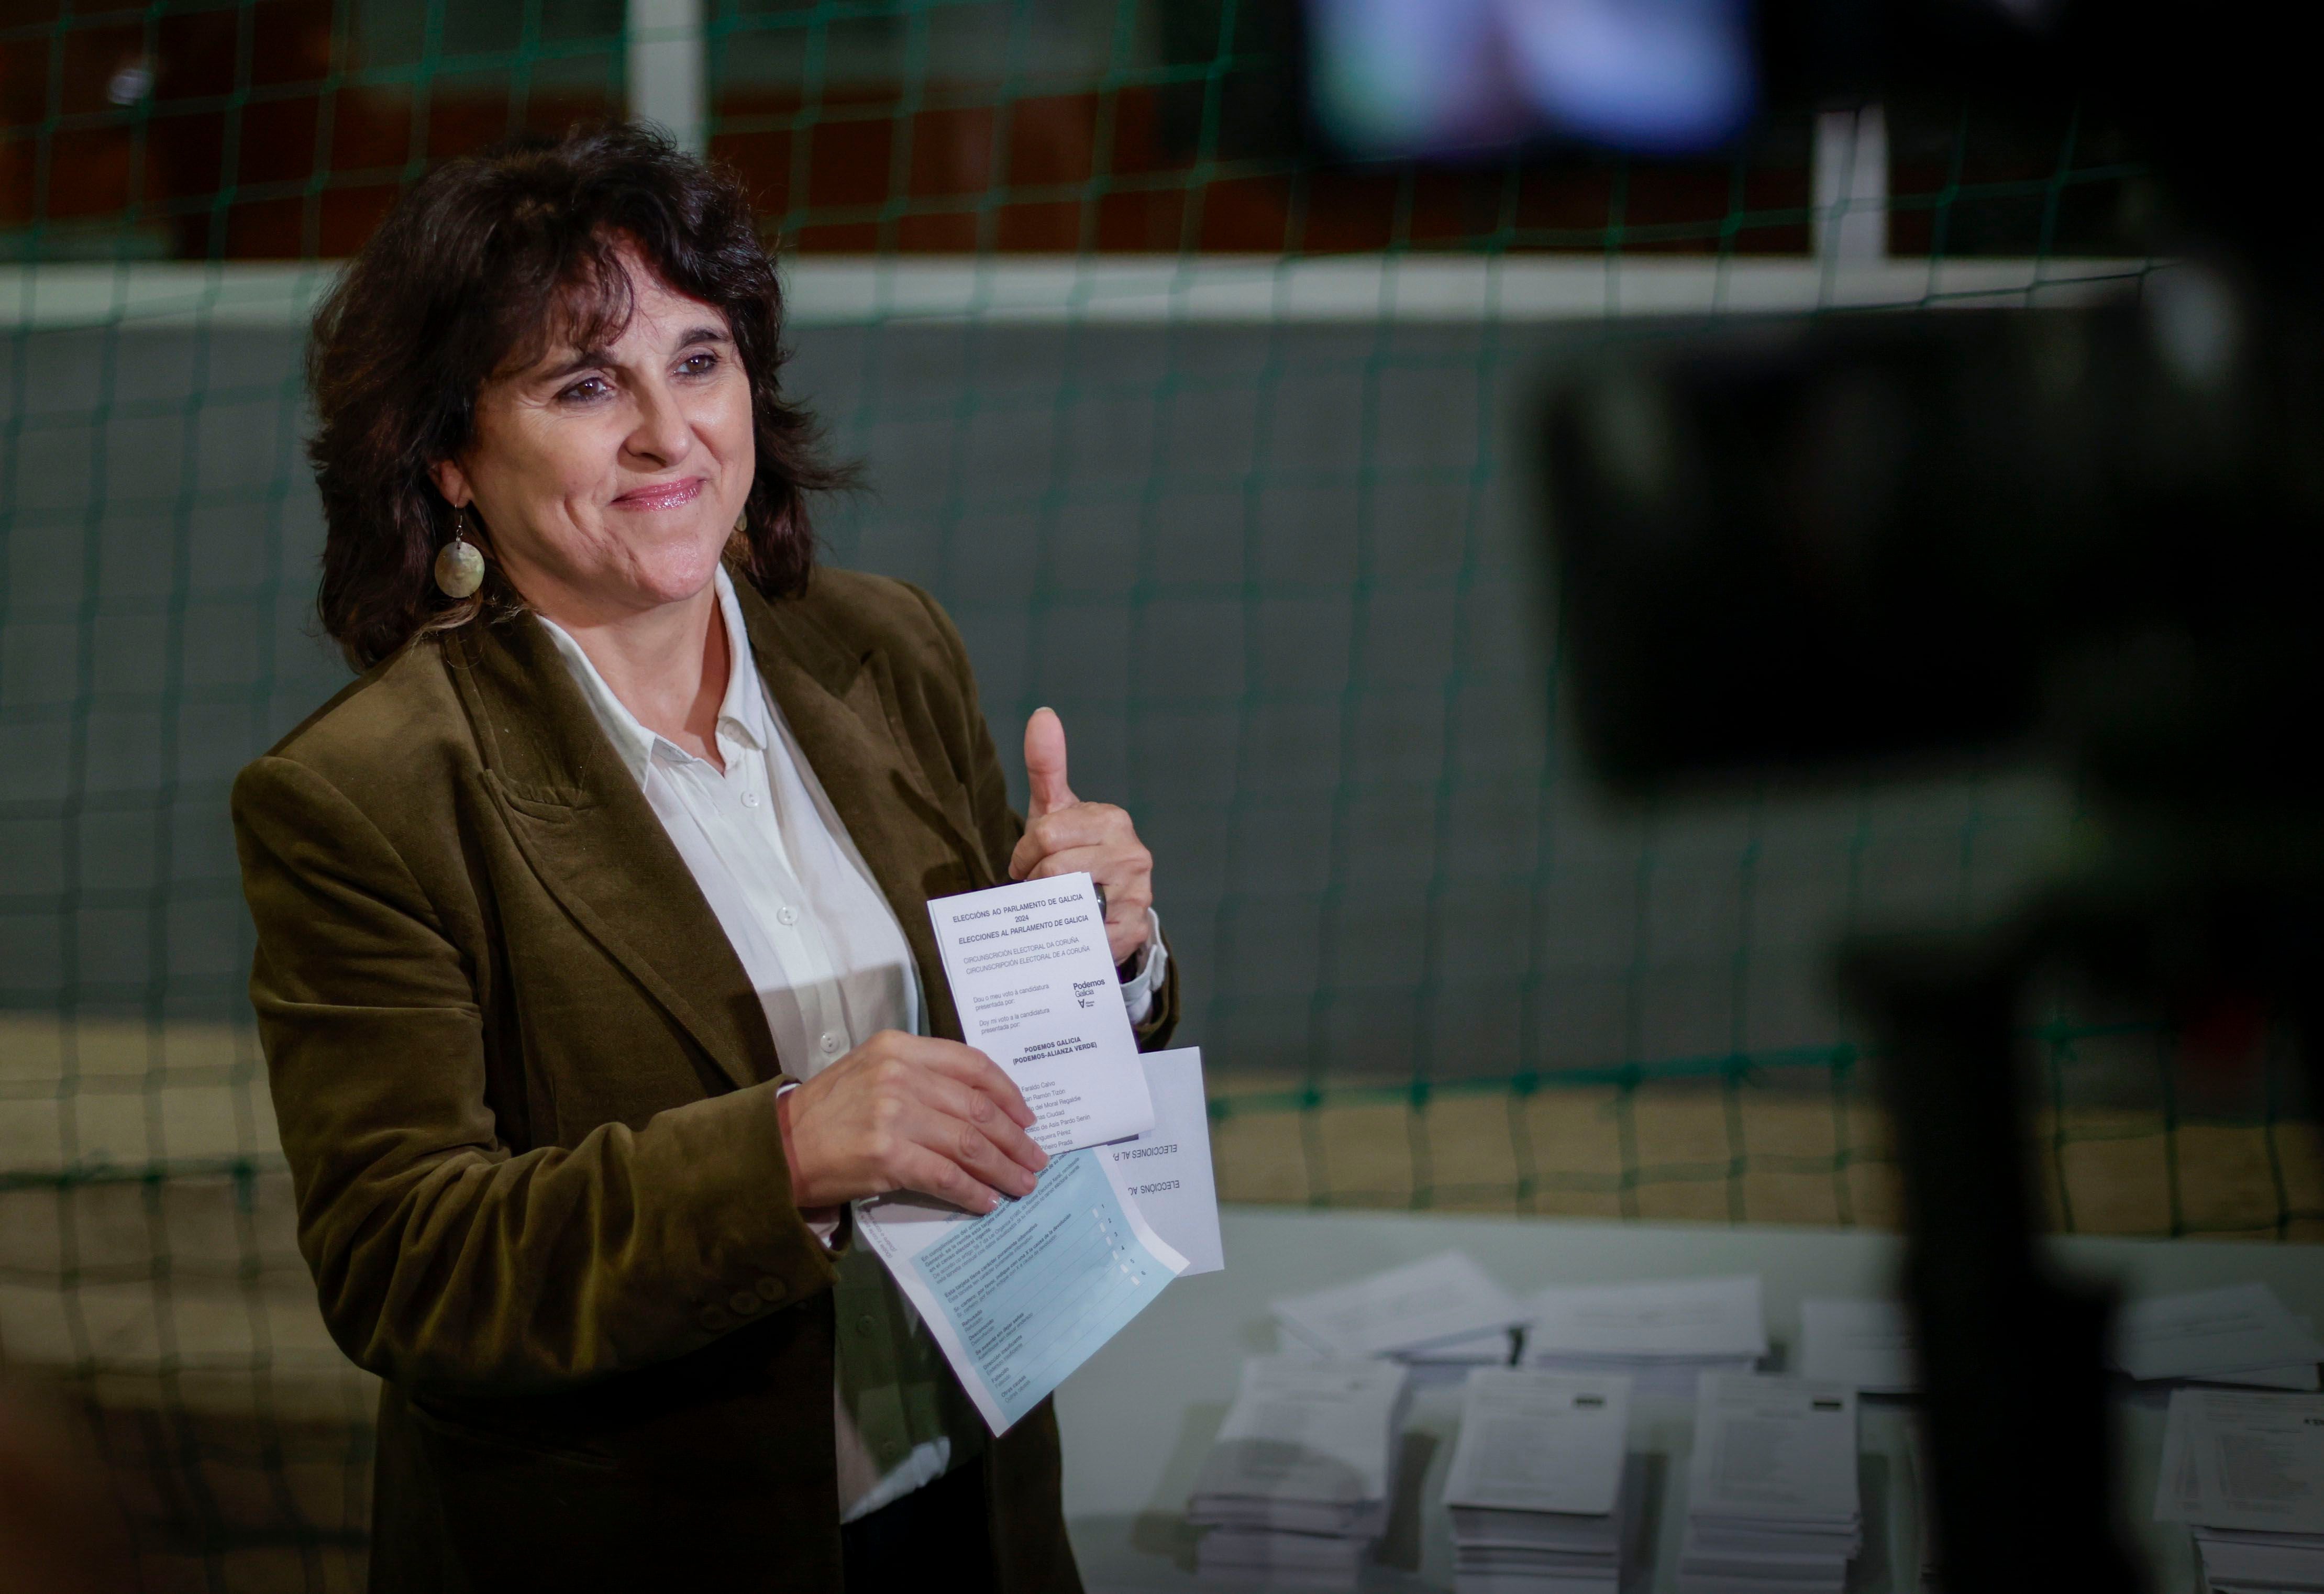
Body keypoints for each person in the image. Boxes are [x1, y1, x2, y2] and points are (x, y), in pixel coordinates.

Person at [231, 124, 1175, 1593]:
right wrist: (787, 1151)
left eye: (700, 358)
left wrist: (1102, 954)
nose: (669, 434)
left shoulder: (884, 644)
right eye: (585, 383)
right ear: (451, 459)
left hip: (966, 1499)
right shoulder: (363, 795)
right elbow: (403, 1260)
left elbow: (1006, 1080)